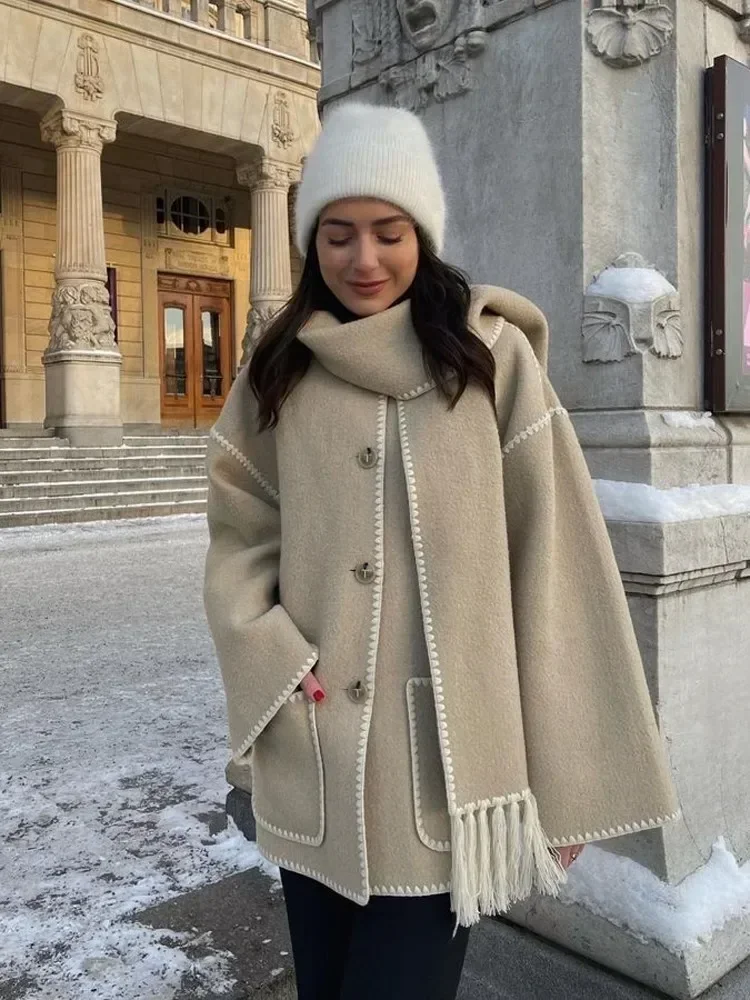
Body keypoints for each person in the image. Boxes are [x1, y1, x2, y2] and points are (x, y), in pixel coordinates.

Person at [204, 103, 680, 1000]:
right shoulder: (277, 371)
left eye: (388, 232)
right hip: (314, 757)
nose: (363, 259)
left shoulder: (488, 361)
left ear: (423, 233)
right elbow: (239, 532)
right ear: (312, 243)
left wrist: (564, 776)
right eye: (337, 235)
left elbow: (557, 566)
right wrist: (267, 650)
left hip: (448, 774)